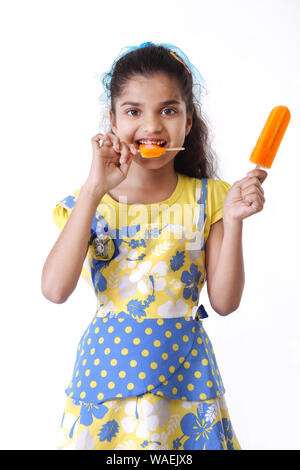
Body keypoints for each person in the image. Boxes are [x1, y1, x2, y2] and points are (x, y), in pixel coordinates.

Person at [41, 42, 267, 450]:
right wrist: (95, 190)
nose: (152, 125)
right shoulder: (87, 202)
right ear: (112, 120)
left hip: (187, 381)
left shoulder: (212, 197)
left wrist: (232, 221)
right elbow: (55, 290)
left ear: (188, 120)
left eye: (168, 110)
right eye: (133, 111)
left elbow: (225, 302)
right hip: (105, 384)